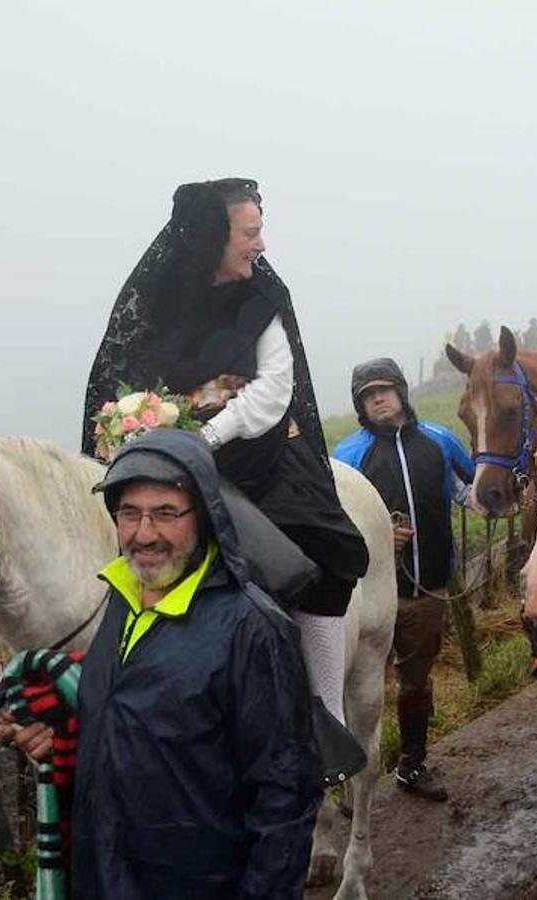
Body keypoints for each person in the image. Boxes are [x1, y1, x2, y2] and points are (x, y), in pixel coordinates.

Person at [80, 178, 369, 727]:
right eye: (251, 232)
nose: (260, 244)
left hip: (264, 462)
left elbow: (271, 390)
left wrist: (203, 434)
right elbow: (128, 384)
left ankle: (325, 717)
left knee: (325, 551)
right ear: (211, 236)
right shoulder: (153, 299)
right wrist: (157, 421)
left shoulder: (261, 298)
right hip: (172, 463)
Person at [0, 430, 323, 896]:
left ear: (205, 517)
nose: (144, 534)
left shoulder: (250, 629)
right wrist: (64, 740)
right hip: (104, 876)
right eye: (129, 514)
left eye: (165, 514)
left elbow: (284, 796)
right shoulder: (119, 603)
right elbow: (139, 724)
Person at [333, 358, 474, 801]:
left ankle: (412, 764)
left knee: (415, 681)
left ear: (402, 392)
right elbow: (333, 526)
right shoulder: (347, 457)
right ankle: (345, 782)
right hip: (367, 597)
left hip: (424, 588)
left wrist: (502, 499)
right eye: (368, 394)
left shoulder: (440, 440)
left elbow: (468, 490)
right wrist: (375, 537)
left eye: (384, 390)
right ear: (360, 405)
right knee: (346, 688)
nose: (378, 398)